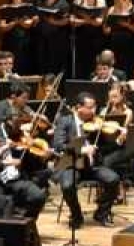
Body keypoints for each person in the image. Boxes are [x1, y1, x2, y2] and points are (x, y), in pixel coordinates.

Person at [52, 92, 121, 228]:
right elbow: (58, 145)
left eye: (94, 107)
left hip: (91, 166)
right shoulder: (65, 121)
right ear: (79, 107)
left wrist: (118, 139)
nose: (93, 111)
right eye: (90, 107)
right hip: (72, 165)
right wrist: (82, 150)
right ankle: (76, 215)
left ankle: (101, 211)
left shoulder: (96, 123)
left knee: (113, 179)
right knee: (67, 186)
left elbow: (106, 147)